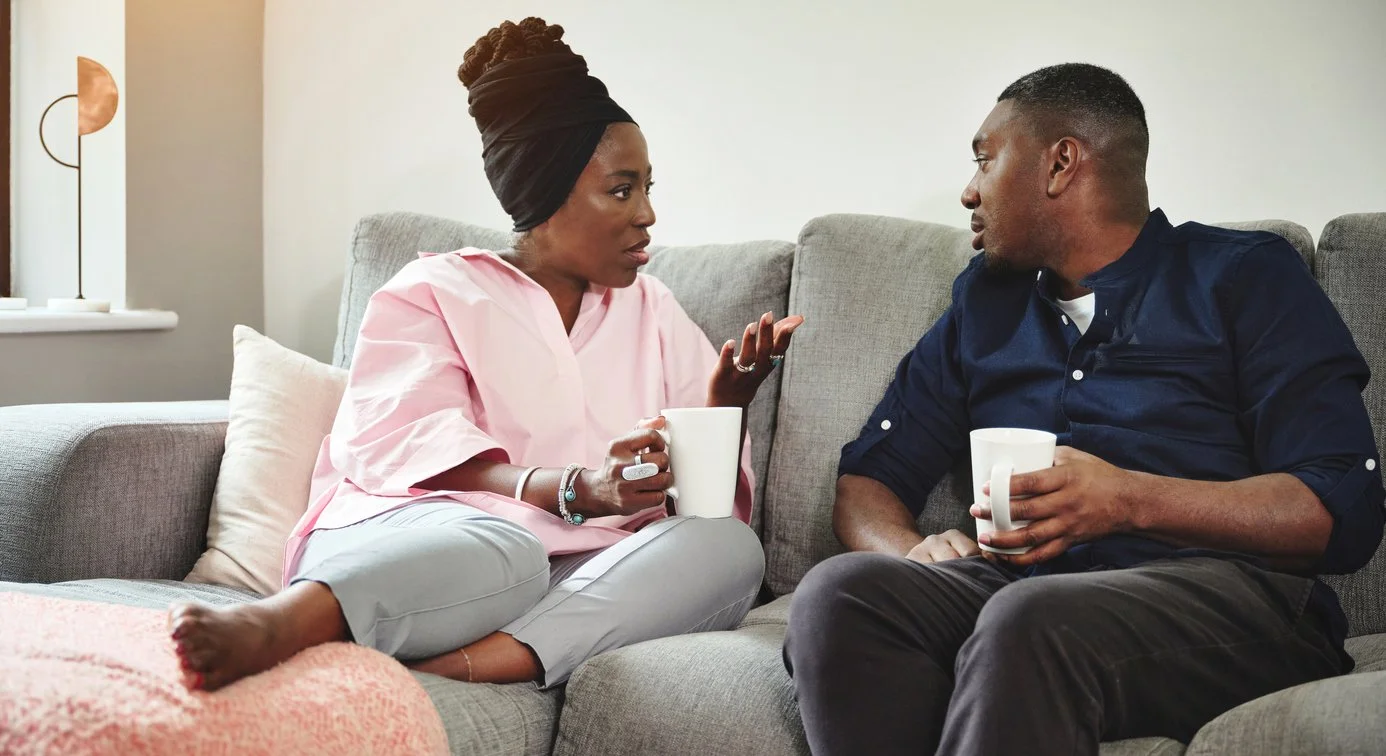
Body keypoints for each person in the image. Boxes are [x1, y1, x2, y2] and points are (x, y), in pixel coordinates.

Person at [168, 17, 803, 693]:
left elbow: (697, 513)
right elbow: (403, 446)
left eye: (649, 188)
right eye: (622, 189)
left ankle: (470, 663)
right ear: (545, 191)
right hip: (427, 546)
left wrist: (724, 404)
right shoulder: (433, 292)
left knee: (730, 550)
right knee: (506, 551)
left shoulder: (655, 311)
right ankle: (280, 624)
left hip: (581, 575)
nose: (646, 214)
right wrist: (577, 488)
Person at [783, 63, 1384, 755]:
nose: (968, 190)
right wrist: (912, 550)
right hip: (1024, 589)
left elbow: (1342, 508)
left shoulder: (1245, 275)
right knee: (839, 597)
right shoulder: (986, 301)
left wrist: (1127, 499)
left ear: (1061, 163)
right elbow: (868, 480)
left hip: (1224, 594)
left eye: (985, 159)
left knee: (1029, 621)